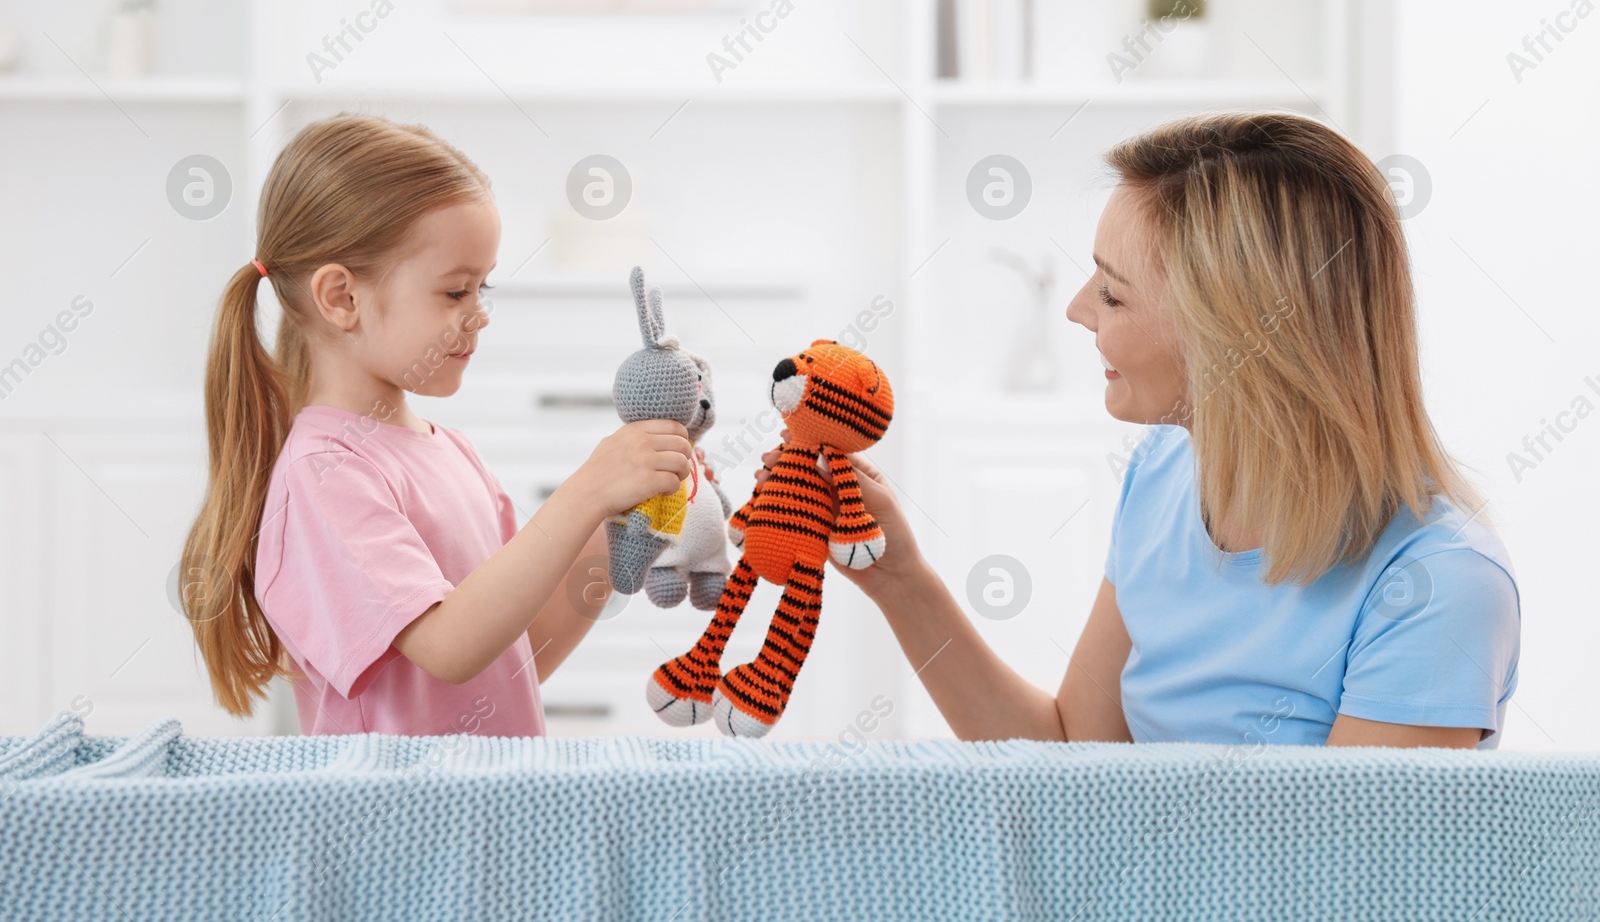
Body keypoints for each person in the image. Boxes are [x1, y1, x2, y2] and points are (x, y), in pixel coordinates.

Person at [765, 110, 1520, 749]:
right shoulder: (1163, 473)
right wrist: (901, 581)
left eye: (1114, 295)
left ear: (1232, 333)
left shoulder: (1440, 584)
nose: (1076, 310)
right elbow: (1076, 758)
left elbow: (1336, 881)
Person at [178, 114, 693, 735]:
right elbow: (450, 647)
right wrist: (585, 491)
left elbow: (513, 656)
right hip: (400, 825)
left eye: (482, 288)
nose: (480, 315)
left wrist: (614, 530)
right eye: (455, 293)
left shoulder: (451, 452)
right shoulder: (324, 474)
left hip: (479, 811)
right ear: (341, 298)